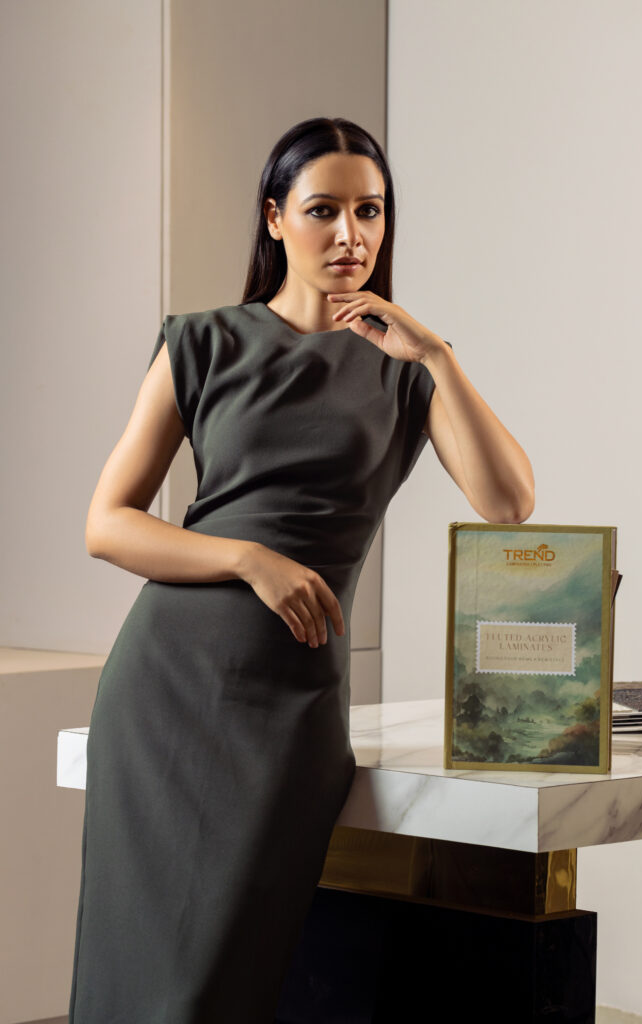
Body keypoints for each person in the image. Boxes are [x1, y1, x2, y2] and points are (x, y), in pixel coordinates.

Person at [68, 115, 535, 1023]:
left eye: (370, 211)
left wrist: (436, 355)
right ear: (275, 218)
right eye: (324, 210)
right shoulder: (201, 343)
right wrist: (249, 559)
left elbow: (507, 501)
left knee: (225, 980)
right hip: (165, 686)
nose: (350, 235)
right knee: (137, 972)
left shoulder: (406, 369)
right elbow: (106, 524)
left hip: (290, 705)